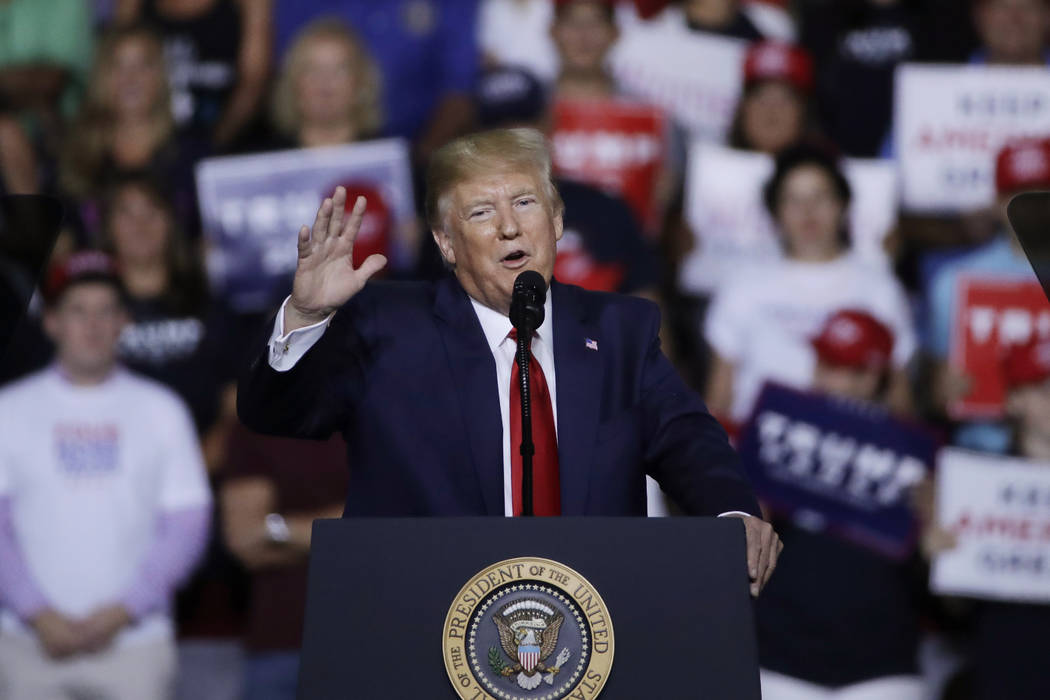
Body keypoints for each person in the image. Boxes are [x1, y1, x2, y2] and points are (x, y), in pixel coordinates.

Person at [237, 127, 782, 596]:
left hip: (595, 634)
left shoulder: (619, 331)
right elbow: (276, 415)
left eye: (525, 203)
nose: (509, 226)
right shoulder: (388, 325)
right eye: (481, 212)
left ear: (557, 220)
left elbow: (688, 438)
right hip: (422, 629)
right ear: (447, 243)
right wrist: (307, 314)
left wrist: (733, 515)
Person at [0, 251, 212, 700]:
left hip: (135, 645)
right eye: (77, 310)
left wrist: (123, 612)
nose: (92, 324)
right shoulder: (10, 410)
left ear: (123, 322)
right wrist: (36, 612)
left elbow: (187, 525)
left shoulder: (162, 410)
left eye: (105, 311)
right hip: (26, 643)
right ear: (52, 322)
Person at [756, 309, 926, 700]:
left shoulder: (917, 456)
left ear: (873, 376)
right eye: (823, 363)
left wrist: (932, 523)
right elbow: (741, 547)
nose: (824, 378)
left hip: (883, 667)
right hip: (780, 657)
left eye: (840, 367)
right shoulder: (775, 433)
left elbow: (937, 573)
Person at [704, 144, 916, 429]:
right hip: (751, 456)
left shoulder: (880, 289)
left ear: (842, 204)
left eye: (820, 196)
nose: (807, 211)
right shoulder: (743, 285)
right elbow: (719, 397)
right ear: (775, 211)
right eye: (793, 200)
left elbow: (900, 403)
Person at [925, 139, 1050, 453]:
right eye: (1018, 194)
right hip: (980, 453)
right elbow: (931, 386)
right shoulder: (953, 283)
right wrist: (940, 391)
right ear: (997, 203)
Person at [220, 423, 347, 700]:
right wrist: (344, 536)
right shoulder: (257, 425)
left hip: (378, 637)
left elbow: (384, 528)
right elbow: (245, 541)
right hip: (280, 643)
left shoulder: (387, 420)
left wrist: (277, 528)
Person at [273, 0, 479, 161]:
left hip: (416, 151)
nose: (325, 84)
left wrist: (415, 166)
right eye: (313, 70)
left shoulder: (398, 166)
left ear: (361, 84)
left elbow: (459, 91)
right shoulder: (267, 163)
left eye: (340, 69)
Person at [60, 25, 208, 239]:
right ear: (101, 78)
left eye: (144, 65)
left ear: (160, 76)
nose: (131, 79)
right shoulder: (76, 153)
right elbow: (62, 243)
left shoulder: (194, 151)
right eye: (118, 66)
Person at [114, 0, 273, 147]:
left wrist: (213, 144)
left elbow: (254, 83)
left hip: (228, 139)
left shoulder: (250, 5)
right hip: (153, 142)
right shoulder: (132, 5)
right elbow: (113, 64)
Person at [727, 40, 816, 155]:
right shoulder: (710, 164)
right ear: (744, 107)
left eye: (785, 99)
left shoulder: (827, 170)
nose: (772, 110)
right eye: (761, 97)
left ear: (803, 111)